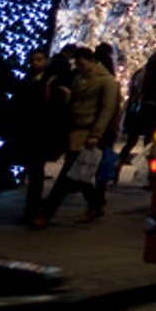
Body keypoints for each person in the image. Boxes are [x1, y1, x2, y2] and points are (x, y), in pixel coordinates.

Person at [30, 47, 121, 228]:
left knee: (68, 172)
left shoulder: (107, 82)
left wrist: (96, 134)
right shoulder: (80, 77)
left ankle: (47, 212)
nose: (80, 67)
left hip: (88, 132)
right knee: (79, 173)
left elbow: (107, 109)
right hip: (76, 129)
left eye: (82, 64)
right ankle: (95, 205)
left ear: (91, 61)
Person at [2, 49, 54, 221]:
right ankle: (32, 209)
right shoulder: (27, 79)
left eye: (39, 59)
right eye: (33, 60)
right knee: (32, 171)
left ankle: (33, 210)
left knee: (36, 173)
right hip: (25, 133)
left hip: (40, 134)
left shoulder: (50, 81)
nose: (36, 63)